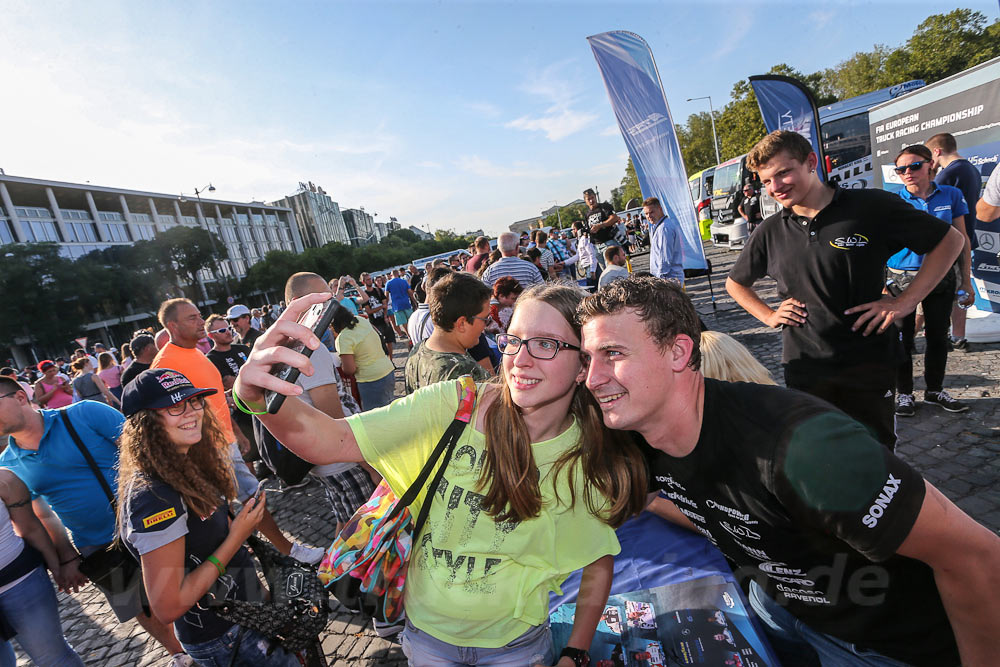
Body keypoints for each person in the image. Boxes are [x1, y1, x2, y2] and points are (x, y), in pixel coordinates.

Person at [578, 276, 1000, 667]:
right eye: (587, 359)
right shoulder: (637, 435)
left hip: (879, 645)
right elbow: (725, 509)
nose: (593, 378)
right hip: (779, 605)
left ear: (678, 352)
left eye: (613, 353)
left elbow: (976, 558)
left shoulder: (804, 448)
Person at [231, 283, 647, 667]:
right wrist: (253, 396)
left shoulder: (586, 457)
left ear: (582, 366)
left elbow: (597, 560)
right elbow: (331, 441)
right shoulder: (455, 404)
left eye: (545, 344)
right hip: (427, 638)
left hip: (516, 648)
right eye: (515, 340)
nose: (520, 359)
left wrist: (574, 653)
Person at [725, 130, 964, 449]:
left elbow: (950, 241)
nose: (775, 187)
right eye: (766, 181)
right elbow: (735, 283)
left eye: (783, 173)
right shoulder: (770, 231)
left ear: (811, 162)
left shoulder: (870, 207)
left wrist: (906, 302)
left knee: (877, 458)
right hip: (805, 368)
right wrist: (768, 315)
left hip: (869, 364)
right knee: (823, 457)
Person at [0, 376, 194, 665]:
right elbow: (42, 515)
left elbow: (151, 455)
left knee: (191, 588)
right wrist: (65, 557)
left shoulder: (85, 413)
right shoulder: (8, 464)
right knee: (139, 608)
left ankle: (212, 642)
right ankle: (179, 654)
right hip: (96, 545)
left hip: (155, 524)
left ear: (18, 397)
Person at [116, 370, 299, 666]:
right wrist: (239, 534)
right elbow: (168, 606)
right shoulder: (152, 498)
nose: (191, 412)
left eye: (195, 401)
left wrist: (263, 597)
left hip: (245, 615)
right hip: (222, 636)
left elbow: (215, 543)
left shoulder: (185, 461)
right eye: (175, 406)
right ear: (146, 423)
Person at [151, 298, 315, 562]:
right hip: (205, 448)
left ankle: (254, 553)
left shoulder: (196, 354)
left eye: (198, 315)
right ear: (172, 325)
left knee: (239, 501)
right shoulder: (165, 365)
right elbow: (173, 416)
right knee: (249, 497)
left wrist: (236, 434)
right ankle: (287, 551)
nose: (200, 322)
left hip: (224, 441)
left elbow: (213, 400)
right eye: (191, 318)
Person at [282, 273, 379, 533]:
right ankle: (356, 574)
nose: (331, 304)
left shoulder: (284, 343)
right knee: (366, 533)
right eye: (322, 298)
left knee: (344, 520)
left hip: (322, 459)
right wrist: (368, 465)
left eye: (330, 297)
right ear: (297, 302)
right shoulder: (311, 348)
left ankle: (335, 571)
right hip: (343, 458)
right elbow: (333, 416)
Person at [888, 144, 973, 417]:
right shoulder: (892, 201)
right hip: (902, 278)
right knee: (902, 340)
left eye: (914, 166)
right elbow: (879, 243)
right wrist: (880, 283)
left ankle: (934, 391)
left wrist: (966, 281)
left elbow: (962, 241)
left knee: (938, 337)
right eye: (901, 169)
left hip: (941, 276)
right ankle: (904, 394)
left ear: (930, 165)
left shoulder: (951, 194)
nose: (908, 173)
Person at [0, 468, 84, 666]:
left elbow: (30, 527)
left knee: (54, 659)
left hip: (20, 583)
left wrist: (57, 568)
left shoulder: (5, 480)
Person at [927, 132, 982, 350]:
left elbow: (931, 199)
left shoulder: (948, 174)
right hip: (966, 236)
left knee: (938, 284)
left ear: (937, 151)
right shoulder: (971, 169)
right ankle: (958, 334)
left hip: (950, 240)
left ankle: (913, 334)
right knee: (961, 286)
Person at [404, 272, 493, 394]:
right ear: (462, 323)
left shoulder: (417, 351)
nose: (487, 325)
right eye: (485, 319)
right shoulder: (466, 372)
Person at [333, 300, 397, 411]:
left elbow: (349, 369)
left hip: (371, 380)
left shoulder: (343, 338)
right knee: (391, 409)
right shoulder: (361, 321)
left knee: (377, 417)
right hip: (387, 370)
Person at [642, 197, 684, 286]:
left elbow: (664, 258)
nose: (649, 216)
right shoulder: (658, 227)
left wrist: (659, 281)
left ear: (660, 209)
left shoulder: (664, 228)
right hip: (666, 279)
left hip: (668, 280)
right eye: (646, 214)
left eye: (651, 212)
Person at [359, 271, 399, 355]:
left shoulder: (378, 290)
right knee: (380, 343)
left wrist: (385, 316)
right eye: (367, 280)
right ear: (363, 282)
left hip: (384, 320)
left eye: (370, 279)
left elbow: (385, 304)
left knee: (390, 341)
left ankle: (391, 360)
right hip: (374, 322)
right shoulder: (364, 295)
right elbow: (369, 311)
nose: (370, 281)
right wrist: (381, 307)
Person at [584, 188, 621, 268]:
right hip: (596, 246)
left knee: (612, 270)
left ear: (595, 197)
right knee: (605, 273)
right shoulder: (587, 214)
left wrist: (600, 225)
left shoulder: (604, 207)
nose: (591, 201)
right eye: (588, 199)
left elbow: (614, 218)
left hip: (608, 243)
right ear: (585, 201)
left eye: (592, 198)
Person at [385, 268, 417, 337]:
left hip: (396, 306)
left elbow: (386, 296)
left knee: (404, 323)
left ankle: (409, 336)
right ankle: (414, 334)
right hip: (406, 303)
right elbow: (410, 293)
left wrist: (385, 306)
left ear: (391, 275)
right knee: (411, 320)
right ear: (398, 274)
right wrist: (415, 302)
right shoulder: (404, 281)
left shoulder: (389, 283)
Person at [573, 221, 599, 289]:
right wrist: (564, 263)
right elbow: (577, 256)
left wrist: (592, 270)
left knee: (593, 289)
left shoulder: (585, 239)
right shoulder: (580, 240)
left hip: (590, 268)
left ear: (576, 230)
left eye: (573, 229)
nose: (572, 231)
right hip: (588, 267)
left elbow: (592, 254)